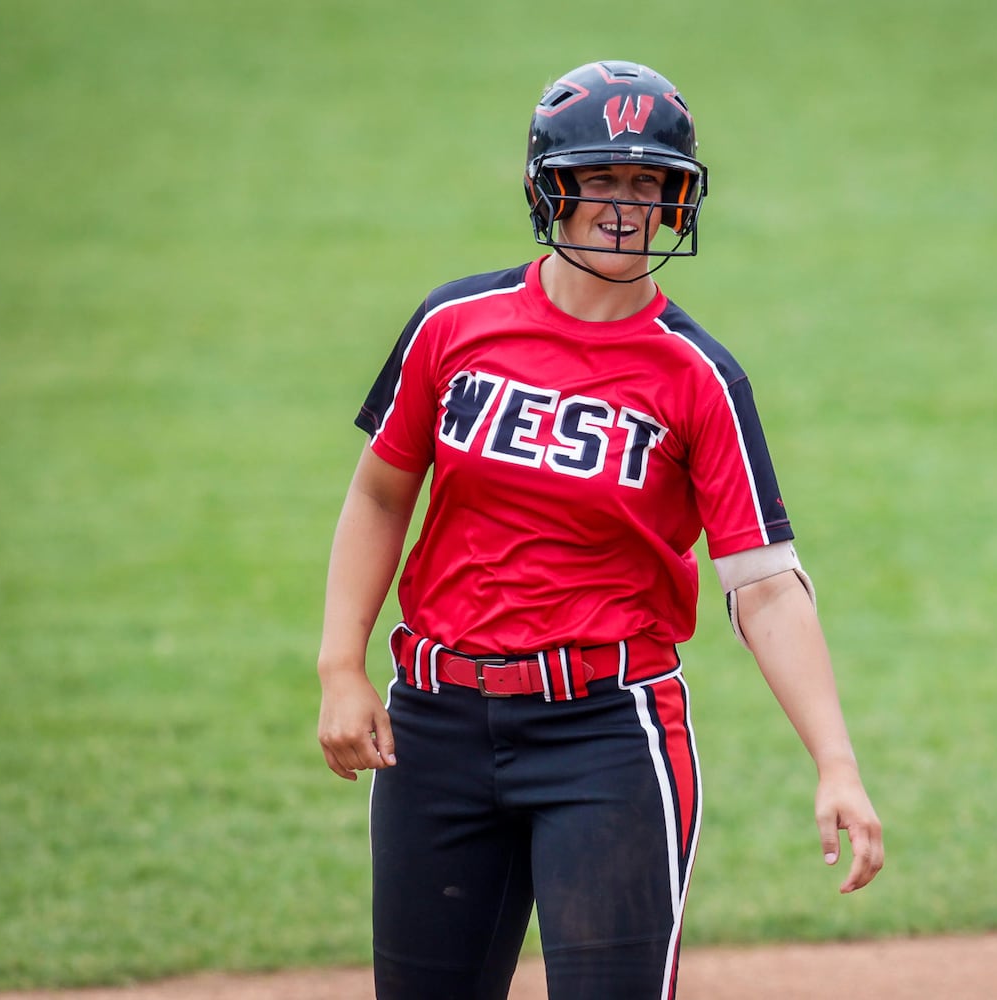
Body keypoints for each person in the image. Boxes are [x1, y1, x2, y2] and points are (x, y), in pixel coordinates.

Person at [315, 59, 883, 1000]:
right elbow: (381, 495)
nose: (623, 205)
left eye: (648, 182)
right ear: (553, 189)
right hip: (435, 729)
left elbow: (767, 585)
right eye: (600, 178)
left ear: (676, 202)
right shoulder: (456, 324)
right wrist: (342, 664)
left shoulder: (697, 377)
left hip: (606, 738)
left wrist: (837, 763)